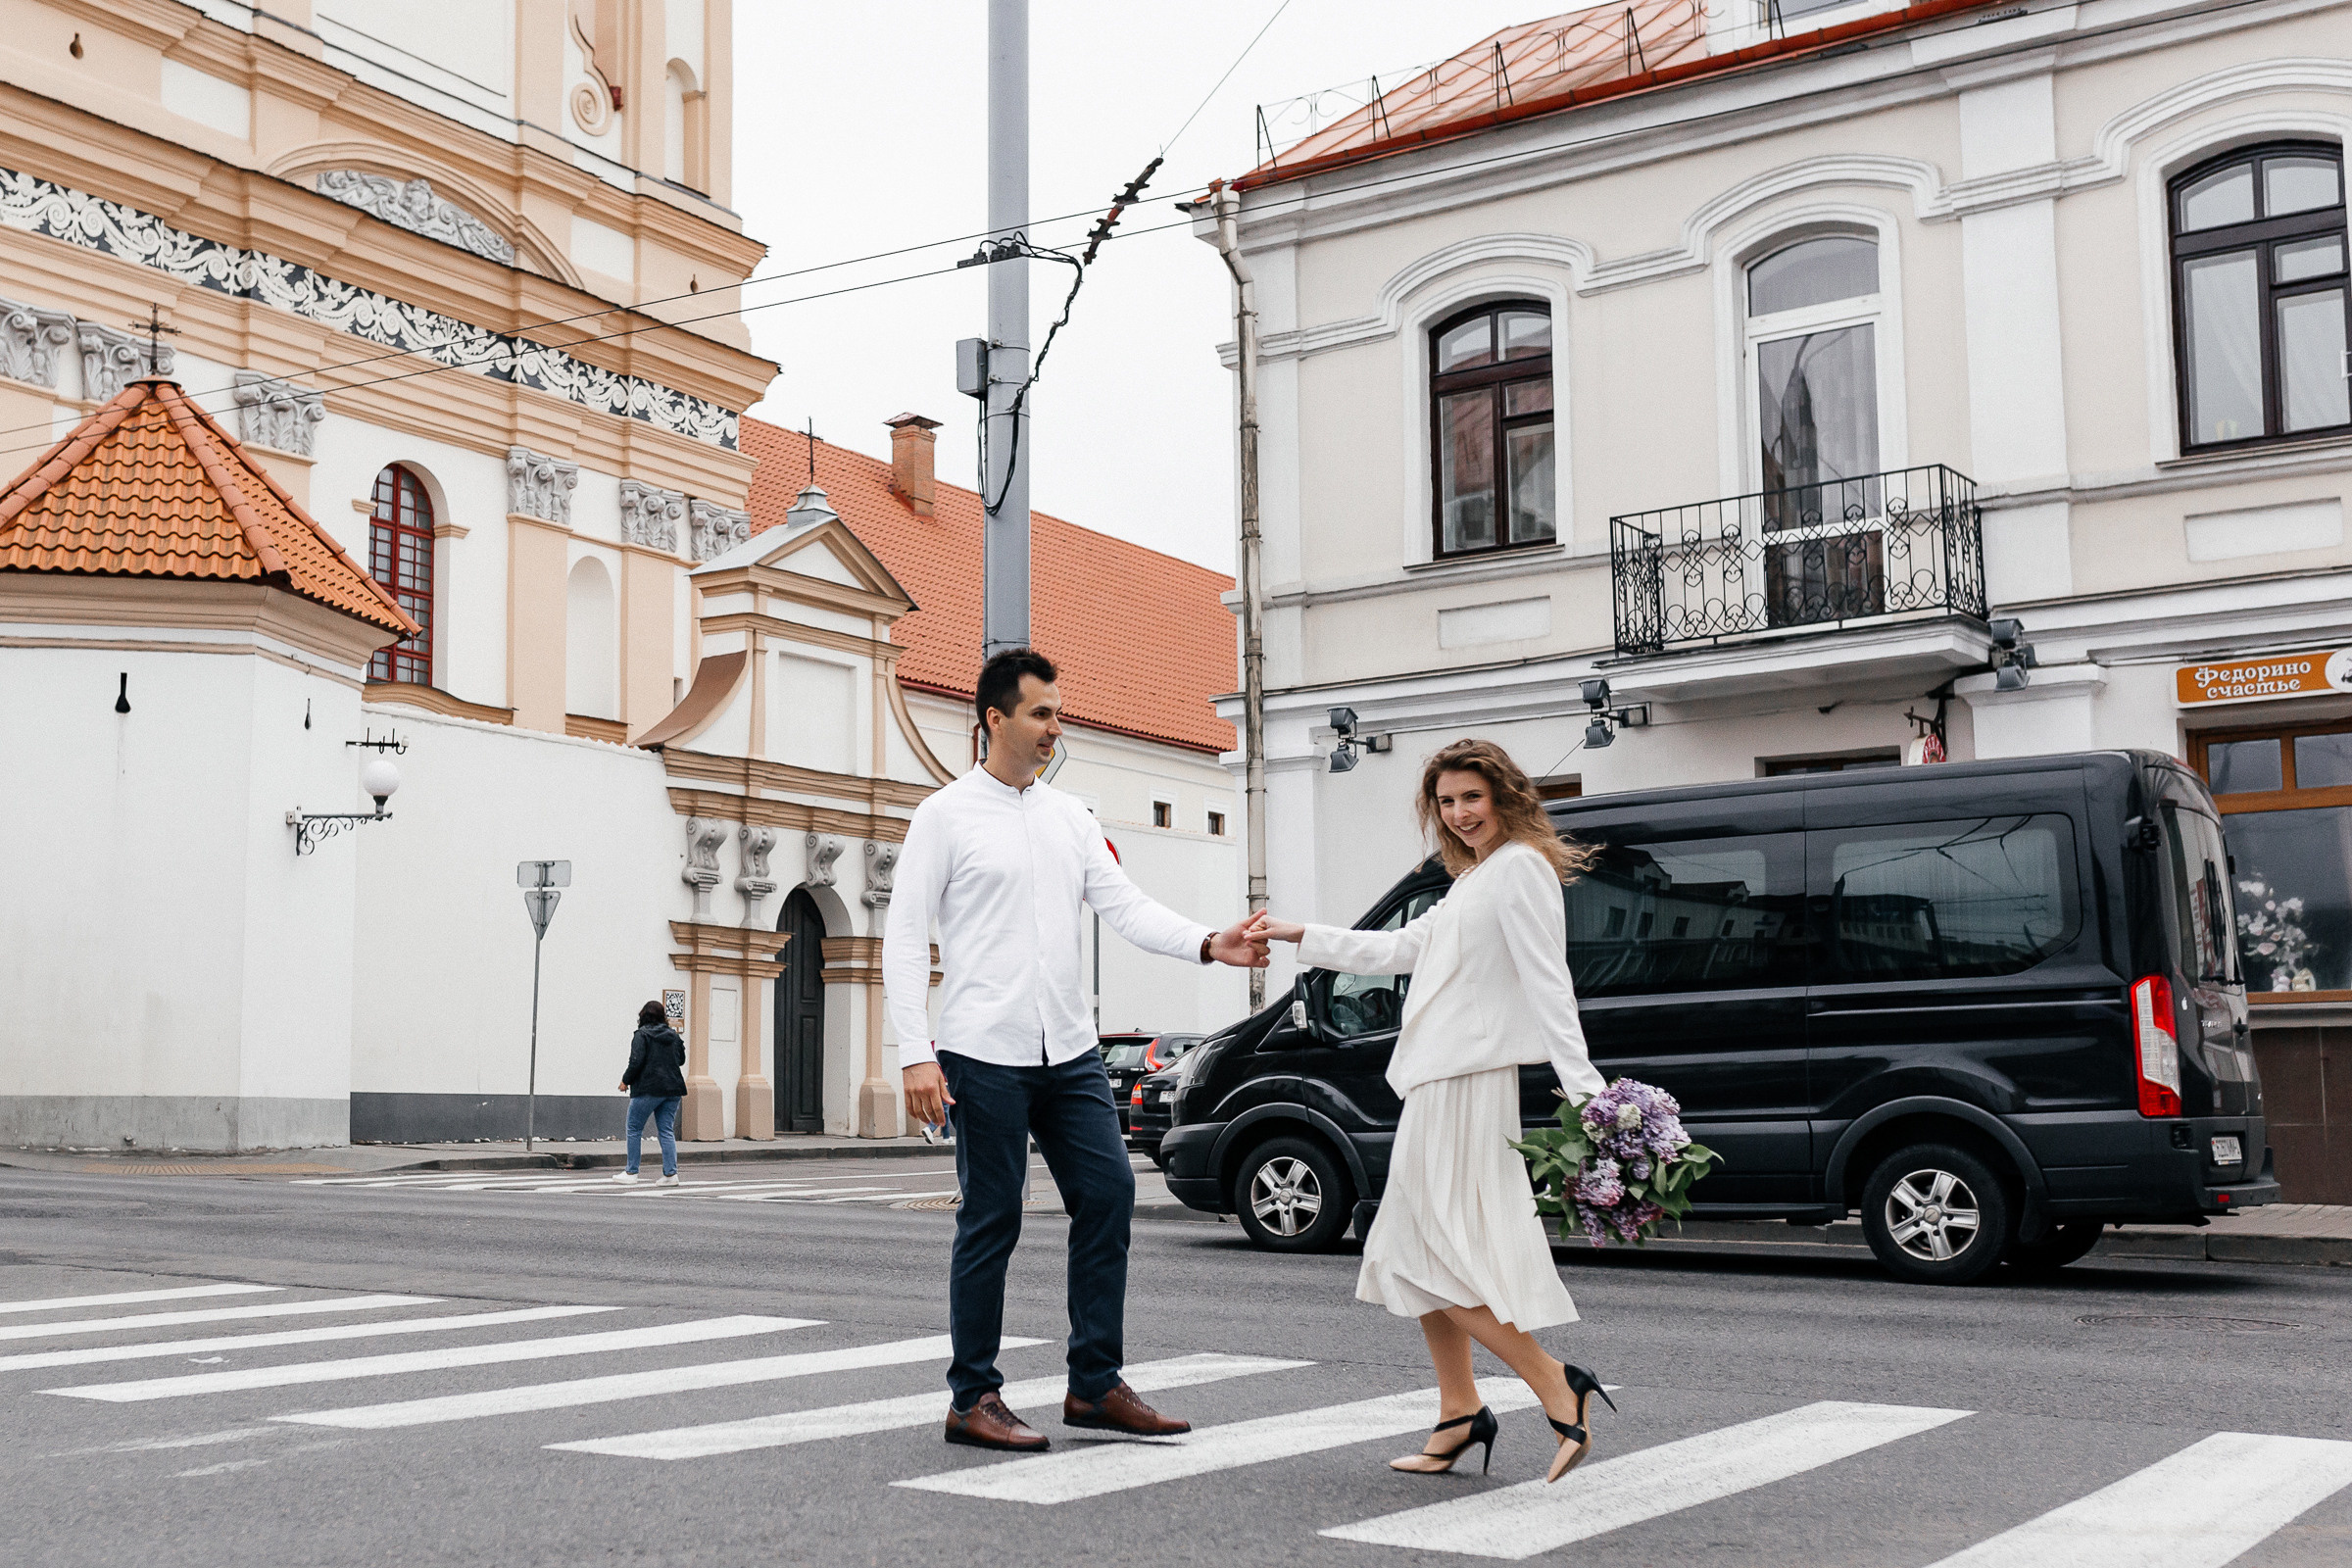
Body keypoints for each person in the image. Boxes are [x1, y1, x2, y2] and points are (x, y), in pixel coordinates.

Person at [884, 647, 1269, 1451]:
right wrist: (915, 1051)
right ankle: (972, 1397)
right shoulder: (944, 816)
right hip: (981, 1052)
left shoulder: (1069, 818)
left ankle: (1094, 1384)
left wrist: (1208, 943)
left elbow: (1125, 906)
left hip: (1069, 1053)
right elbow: (903, 936)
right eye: (1041, 713)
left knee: (1109, 1196)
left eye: (1057, 712)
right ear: (996, 719)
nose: (1056, 727)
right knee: (992, 1218)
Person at [1250, 738, 1615, 1484]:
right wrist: (1301, 935)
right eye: (1447, 803)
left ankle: (1554, 1384)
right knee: (1417, 1253)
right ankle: (1458, 1412)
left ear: (1505, 795)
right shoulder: (1476, 877)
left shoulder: (1519, 870)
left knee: (1423, 1255)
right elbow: (1402, 948)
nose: (1459, 814)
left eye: (1471, 798)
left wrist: (1592, 1098)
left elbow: (1551, 987)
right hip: (1437, 1080)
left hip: (1468, 1082)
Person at [612, 1000, 686, 1187]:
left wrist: (625, 1080)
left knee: (634, 1128)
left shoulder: (642, 1035)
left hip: (649, 1088)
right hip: (673, 1089)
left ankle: (631, 1172)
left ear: (643, 1016)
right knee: (666, 1130)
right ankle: (671, 1175)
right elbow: (681, 1060)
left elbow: (636, 1061)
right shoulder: (673, 1036)